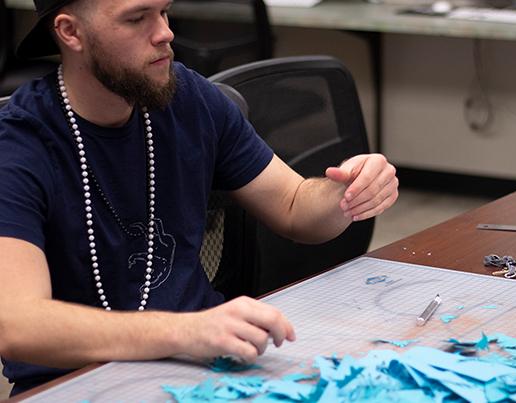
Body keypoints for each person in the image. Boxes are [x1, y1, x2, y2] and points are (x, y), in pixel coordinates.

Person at [0, 0, 399, 396]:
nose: (165, 33)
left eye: (164, 12)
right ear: (71, 32)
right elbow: (17, 325)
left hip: (203, 366)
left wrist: (348, 192)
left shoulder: (189, 97)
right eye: (137, 18)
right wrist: (185, 330)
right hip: (74, 384)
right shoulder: (19, 144)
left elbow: (295, 206)